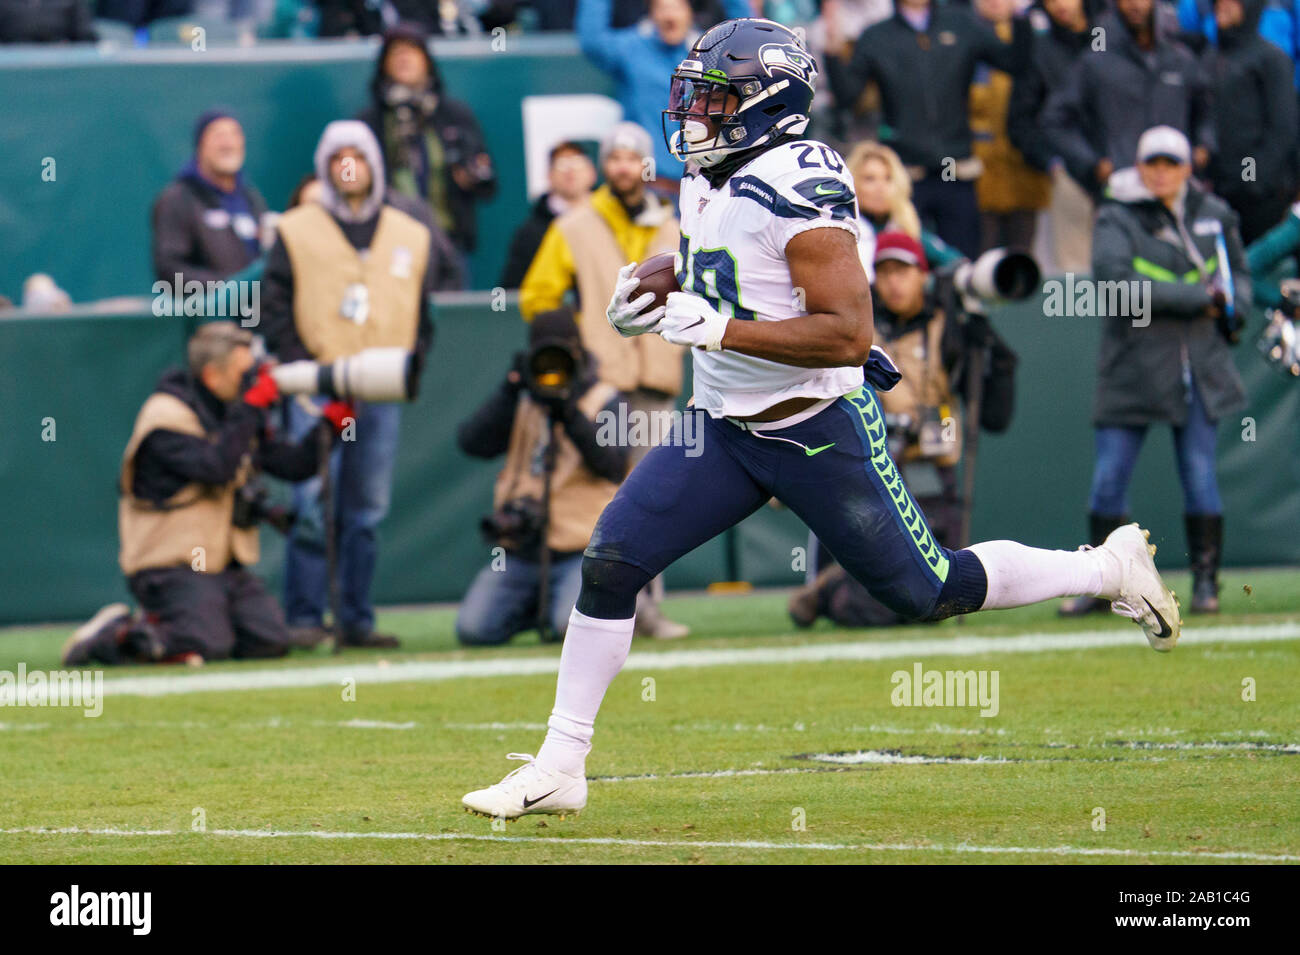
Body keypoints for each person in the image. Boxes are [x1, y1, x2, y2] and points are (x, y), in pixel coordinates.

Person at [462, 19, 1183, 820]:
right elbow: (719, 261)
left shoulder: (800, 184)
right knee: (613, 557)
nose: (693, 116)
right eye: (693, 97)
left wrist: (720, 329)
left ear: (767, 105)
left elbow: (848, 331)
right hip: (724, 427)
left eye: (712, 99)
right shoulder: (711, 175)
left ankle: (1106, 568)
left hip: (816, 426)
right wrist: (655, 289)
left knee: (929, 587)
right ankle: (563, 765)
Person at [63, 323, 353, 667]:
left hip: (220, 564)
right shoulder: (165, 419)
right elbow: (217, 468)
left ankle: (185, 622)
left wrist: (331, 424)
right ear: (213, 376)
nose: (254, 383)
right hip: (169, 564)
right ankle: (113, 635)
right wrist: (251, 406)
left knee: (268, 640)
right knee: (204, 644)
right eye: (244, 374)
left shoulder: (233, 414)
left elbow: (291, 465)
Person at [259, 120, 439, 649]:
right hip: (319, 384)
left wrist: (410, 367)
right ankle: (305, 617)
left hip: (380, 384)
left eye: (358, 156)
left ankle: (356, 618)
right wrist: (300, 364)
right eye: (338, 156)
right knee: (311, 500)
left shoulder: (409, 234)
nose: (348, 166)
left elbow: (421, 312)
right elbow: (273, 302)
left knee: (365, 508)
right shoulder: (296, 229)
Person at [1062, 126, 1249, 617]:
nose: (1162, 172)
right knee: (1108, 482)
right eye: (1153, 163)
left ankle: (1207, 584)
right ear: (1139, 167)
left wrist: (1235, 305)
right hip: (1133, 368)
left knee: (1201, 476)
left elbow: (1240, 278)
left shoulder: (1215, 214)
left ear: (1188, 168)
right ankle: (1101, 585)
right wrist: (1203, 299)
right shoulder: (1116, 214)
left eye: (1172, 163)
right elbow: (1116, 283)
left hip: (1199, 369)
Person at [520, 121, 689, 639]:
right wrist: (580, 346)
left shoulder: (672, 223)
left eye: (630, 157)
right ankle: (608, 614)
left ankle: (647, 611)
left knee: (658, 500)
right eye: (612, 157)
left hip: (657, 378)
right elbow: (537, 298)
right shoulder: (575, 224)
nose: (621, 167)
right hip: (602, 387)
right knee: (612, 501)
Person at [788, 233, 968, 628]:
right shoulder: (855, 325)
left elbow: (984, 409)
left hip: (932, 468)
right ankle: (829, 590)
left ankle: (827, 590)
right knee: (867, 605)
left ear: (923, 275)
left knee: (931, 593)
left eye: (903, 272)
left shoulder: (946, 325)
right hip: (868, 459)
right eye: (884, 273)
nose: (894, 283)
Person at [455, 309, 630, 645]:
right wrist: (509, 391)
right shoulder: (524, 398)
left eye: (560, 354)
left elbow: (612, 466)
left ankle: (579, 605)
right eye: (544, 355)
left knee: (571, 632)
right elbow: (472, 443)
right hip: (521, 549)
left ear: (577, 352)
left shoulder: (606, 398)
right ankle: (541, 606)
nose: (552, 367)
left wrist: (569, 412)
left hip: (581, 550)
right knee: (474, 630)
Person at [847, 0, 1032, 258]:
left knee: (961, 262)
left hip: (957, 171)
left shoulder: (961, 23)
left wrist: (1019, 15)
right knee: (906, 262)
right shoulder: (876, 35)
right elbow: (847, 96)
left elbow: (1015, 62)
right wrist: (834, 46)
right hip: (905, 175)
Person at [1042, 0, 1214, 204]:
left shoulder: (1180, 59)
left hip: (1175, 189)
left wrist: (1204, 144)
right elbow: (1054, 119)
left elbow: (1208, 108)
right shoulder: (1097, 61)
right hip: (1121, 191)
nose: (1135, 5)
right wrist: (1092, 164)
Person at [576, 0, 754, 193]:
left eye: (677, 7)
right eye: (661, 8)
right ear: (651, 15)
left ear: (690, 13)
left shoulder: (707, 52)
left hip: (702, 182)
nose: (669, 15)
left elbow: (748, 38)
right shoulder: (632, 49)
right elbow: (592, 41)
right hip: (649, 181)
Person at [358, 22, 497, 266]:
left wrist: (471, 175)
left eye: (411, 51)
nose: (403, 58)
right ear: (383, 65)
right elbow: (348, 172)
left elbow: (487, 179)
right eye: (395, 52)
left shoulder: (454, 115)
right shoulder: (369, 123)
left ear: (427, 61)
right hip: (387, 243)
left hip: (448, 242)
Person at [1006, 0, 1106, 271]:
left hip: (1120, 169)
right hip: (1069, 176)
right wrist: (1051, 163)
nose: (1060, 4)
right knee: (1074, 276)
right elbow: (1020, 121)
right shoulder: (1039, 51)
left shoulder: (1110, 39)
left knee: (1127, 272)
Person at [1203, 0, 1298, 244]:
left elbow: (1284, 128)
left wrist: (1251, 178)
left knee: (1258, 270)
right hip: (1216, 192)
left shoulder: (1271, 57)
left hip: (1259, 197)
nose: (1223, 6)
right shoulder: (1209, 58)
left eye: (1233, 2)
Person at [151, 110, 271, 289]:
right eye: (218, 135)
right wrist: (228, 288)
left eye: (234, 134)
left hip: (257, 312)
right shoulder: (177, 199)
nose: (228, 143)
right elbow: (169, 269)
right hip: (210, 313)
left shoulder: (251, 198)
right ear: (200, 145)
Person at [969, 0, 1051, 254]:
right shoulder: (961, 34)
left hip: (1025, 167)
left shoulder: (1037, 39)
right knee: (979, 255)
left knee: (1022, 259)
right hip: (974, 169)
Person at [846, 141, 964, 281]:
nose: (881, 187)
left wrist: (925, 284)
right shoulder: (841, 229)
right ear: (851, 182)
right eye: (869, 179)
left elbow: (957, 263)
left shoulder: (906, 228)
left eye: (888, 178)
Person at [499, 142, 597, 290]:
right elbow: (513, 289)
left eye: (577, 163)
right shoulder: (529, 233)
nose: (570, 171)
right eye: (561, 164)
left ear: (592, 173)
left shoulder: (611, 221)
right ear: (549, 176)